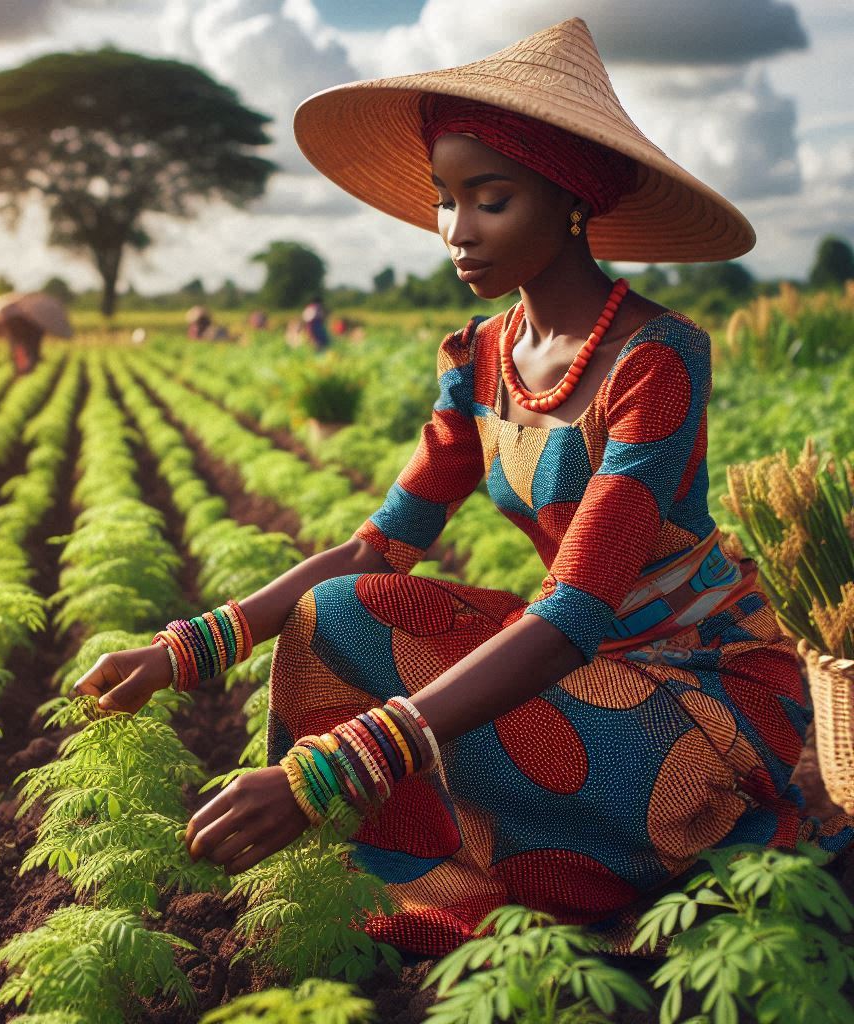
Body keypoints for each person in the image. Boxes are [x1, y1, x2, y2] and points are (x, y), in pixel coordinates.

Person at [72, 18, 854, 960]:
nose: (456, 232)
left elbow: (571, 614)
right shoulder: (477, 357)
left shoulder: (657, 358)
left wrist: (335, 768)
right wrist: (189, 650)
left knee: (574, 759)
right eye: (446, 200)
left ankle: (597, 863)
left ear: (568, 202)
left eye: (490, 200)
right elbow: (378, 547)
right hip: (585, 671)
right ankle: (475, 866)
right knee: (339, 614)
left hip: (700, 700)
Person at [0, 291, 73, 375]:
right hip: (21, 327)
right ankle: (24, 368)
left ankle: (26, 366)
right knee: (22, 346)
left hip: (24, 327)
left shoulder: (17, 309)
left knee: (21, 346)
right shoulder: (19, 312)